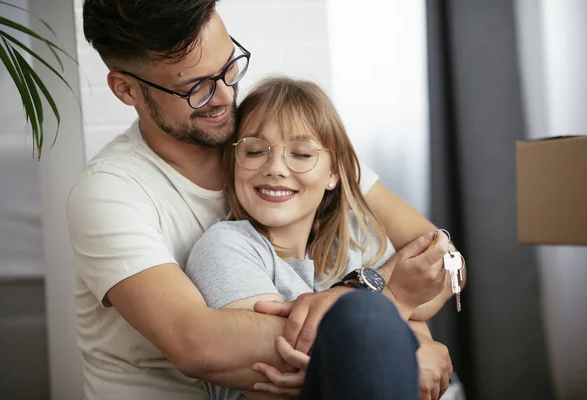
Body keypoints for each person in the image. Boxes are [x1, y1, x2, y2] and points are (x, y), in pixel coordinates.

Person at [68, 1, 456, 399]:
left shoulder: (273, 139)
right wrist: (393, 338)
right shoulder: (110, 192)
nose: (223, 96)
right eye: (194, 87)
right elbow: (197, 343)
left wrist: (391, 323)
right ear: (126, 88)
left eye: (228, 67)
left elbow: (438, 257)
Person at [185, 76, 453, 400]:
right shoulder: (226, 247)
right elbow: (268, 370)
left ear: (333, 173)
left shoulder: (357, 238)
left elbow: (413, 333)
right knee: (361, 310)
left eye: (300, 154)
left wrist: (419, 347)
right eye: (255, 151)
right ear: (234, 164)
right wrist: (398, 298)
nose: (275, 168)